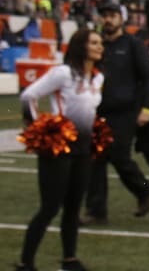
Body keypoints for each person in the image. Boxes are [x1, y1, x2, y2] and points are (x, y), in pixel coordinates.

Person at [16, 28, 104, 271]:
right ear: (81, 46)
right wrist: (40, 128)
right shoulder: (63, 73)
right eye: (94, 43)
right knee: (50, 207)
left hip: (84, 150)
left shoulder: (98, 78)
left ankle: (69, 259)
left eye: (101, 43)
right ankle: (26, 262)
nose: (100, 47)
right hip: (58, 150)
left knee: (74, 206)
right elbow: (28, 96)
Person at [83, 1, 149, 226]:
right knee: (95, 159)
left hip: (126, 112)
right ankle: (96, 211)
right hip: (99, 110)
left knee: (118, 155)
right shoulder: (97, 45)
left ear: (121, 18)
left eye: (112, 15)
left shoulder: (133, 44)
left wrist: (147, 107)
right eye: (104, 15)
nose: (108, 19)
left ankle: (144, 189)